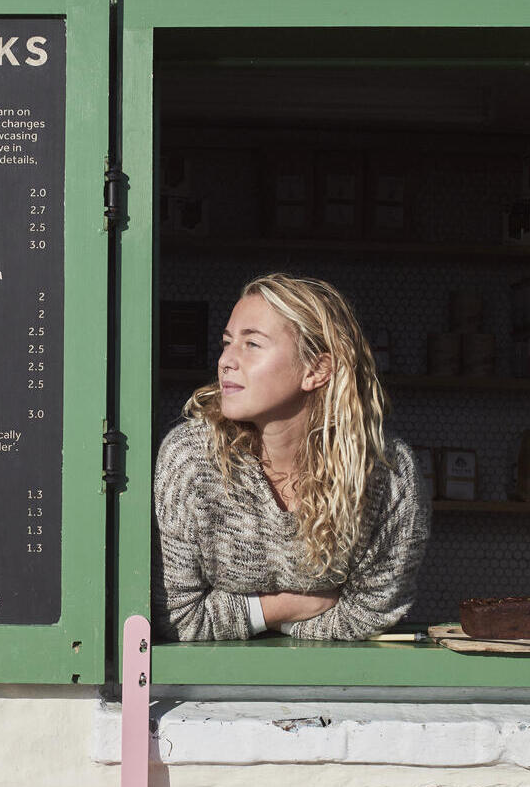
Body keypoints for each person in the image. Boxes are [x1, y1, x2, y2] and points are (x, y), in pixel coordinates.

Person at [153, 273, 429, 641]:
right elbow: (178, 618)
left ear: (316, 369)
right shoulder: (191, 460)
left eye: (251, 344)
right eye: (226, 342)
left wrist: (233, 614)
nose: (226, 361)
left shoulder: (385, 475)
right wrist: (282, 608)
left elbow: (369, 615)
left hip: (334, 689)